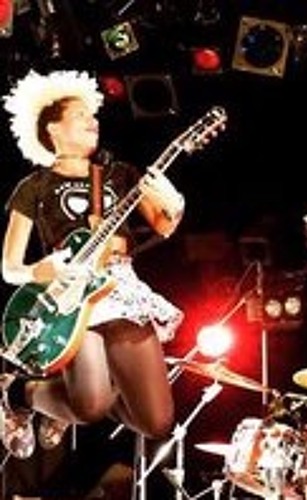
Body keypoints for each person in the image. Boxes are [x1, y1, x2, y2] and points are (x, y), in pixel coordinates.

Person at [0, 69, 185, 460]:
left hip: (122, 290)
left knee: (158, 423)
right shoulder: (33, 188)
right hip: (73, 298)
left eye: (94, 115)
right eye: (80, 115)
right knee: (90, 406)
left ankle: (62, 402)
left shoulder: (120, 174)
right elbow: (9, 268)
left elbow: (164, 225)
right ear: (53, 129)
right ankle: (20, 393)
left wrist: (174, 204)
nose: (93, 121)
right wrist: (37, 271)